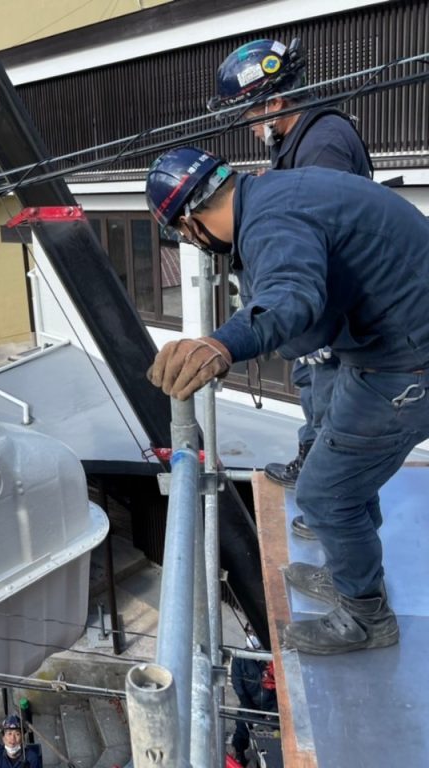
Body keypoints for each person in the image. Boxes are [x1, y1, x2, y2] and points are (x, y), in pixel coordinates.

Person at [144, 145, 429, 654]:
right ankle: (352, 573)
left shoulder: (270, 225)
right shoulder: (275, 194)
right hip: (384, 347)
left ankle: (367, 617)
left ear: (189, 225)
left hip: (409, 362)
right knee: (344, 474)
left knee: (325, 493)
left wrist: (220, 344)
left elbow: (291, 295)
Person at [208, 38, 373, 539]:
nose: (248, 124)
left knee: (330, 404)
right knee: (312, 391)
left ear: (275, 102)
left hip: (332, 306)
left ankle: (327, 509)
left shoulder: (323, 142)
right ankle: (311, 466)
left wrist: (305, 313)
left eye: (248, 112)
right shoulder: (295, 141)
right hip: (319, 307)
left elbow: (324, 232)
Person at [230, 627, 278, 765]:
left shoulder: (269, 658)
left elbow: (279, 685)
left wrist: (274, 710)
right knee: (242, 729)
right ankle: (239, 755)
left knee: (275, 734)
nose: (252, 636)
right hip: (250, 704)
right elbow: (238, 686)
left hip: (270, 706)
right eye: (249, 632)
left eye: (254, 633)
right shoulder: (240, 658)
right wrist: (250, 711)